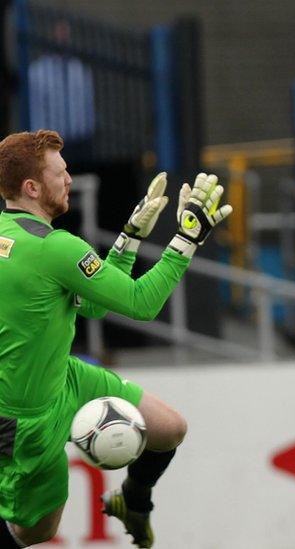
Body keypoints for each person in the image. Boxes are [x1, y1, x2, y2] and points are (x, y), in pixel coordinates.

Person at [0, 130, 232, 548]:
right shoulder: (55, 249)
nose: (69, 179)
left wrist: (127, 238)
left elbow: (92, 306)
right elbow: (142, 304)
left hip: (62, 376)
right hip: (24, 415)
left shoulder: (30, 242)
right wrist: (187, 239)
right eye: (60, 172)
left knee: (168, 428)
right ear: (32, 188)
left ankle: (133, 501)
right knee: (36, 531)